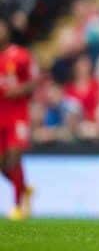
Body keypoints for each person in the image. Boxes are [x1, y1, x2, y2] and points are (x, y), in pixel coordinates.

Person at [0, 17, 36, 220]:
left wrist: (19, 89)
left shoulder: (20, 56)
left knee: (14, 157)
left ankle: (18, 206)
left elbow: (33, 82)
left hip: (17, 115)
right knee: (3, 165)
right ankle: (24, 188)